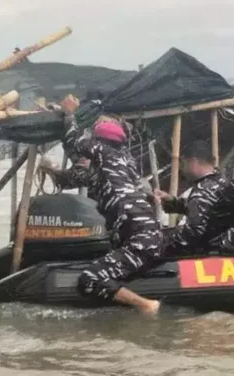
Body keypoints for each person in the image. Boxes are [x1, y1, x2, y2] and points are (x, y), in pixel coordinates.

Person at [62, 113, 164, 316]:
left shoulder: (102, 150)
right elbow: (79, 177)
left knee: (91, 278)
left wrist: (69, 115)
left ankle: (147, 306)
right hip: (147, 234)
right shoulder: (125, 161)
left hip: (139, 238)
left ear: (98, 141)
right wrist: (55, 172)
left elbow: (74, 142)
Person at [152, 141, 234, 256]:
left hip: (209, 253)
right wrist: (169, 201)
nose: (182, 170)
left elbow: (193, 233)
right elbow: (201, 208)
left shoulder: (203, 190)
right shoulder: (221, 182)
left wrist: (159, 243)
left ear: (192, 162)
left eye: (183, 164)